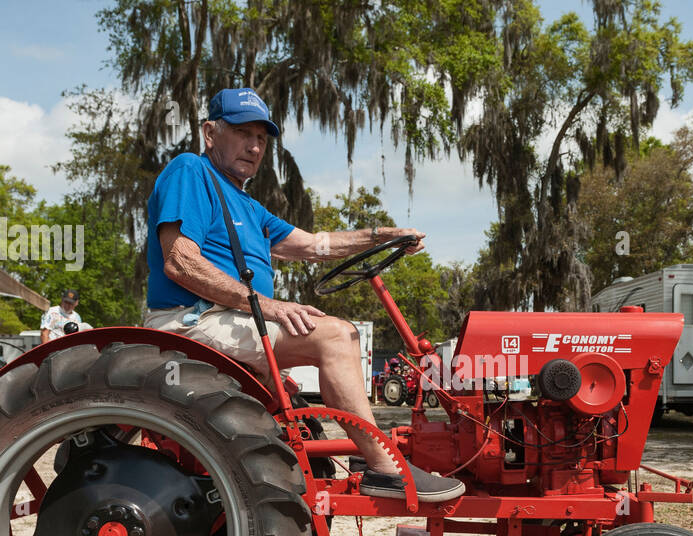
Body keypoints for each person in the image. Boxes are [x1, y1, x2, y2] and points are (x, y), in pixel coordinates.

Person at [144, 88, 465, 503]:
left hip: (233, 320)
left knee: (333, 339)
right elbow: (180, 262)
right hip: (192, 321)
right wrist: (269, 306)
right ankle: (384, 467)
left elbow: (317, 245)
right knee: (336, 335)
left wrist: (383, 236)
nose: (255, 146)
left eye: (261, 138)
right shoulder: (190, 171)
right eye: (243, 133)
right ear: (210, 133)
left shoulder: (248, 205)